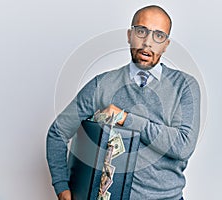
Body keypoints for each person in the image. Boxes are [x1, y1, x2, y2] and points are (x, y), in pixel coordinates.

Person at [47, 5, 200, 200]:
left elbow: (183, 146)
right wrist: (62, 187)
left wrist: (124, 118)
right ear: (130, 35)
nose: (147, 43)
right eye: (141, 31)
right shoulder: (101, 84)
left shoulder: (184, 86)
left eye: (158, 36)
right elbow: (58, 132)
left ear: (166, 45)